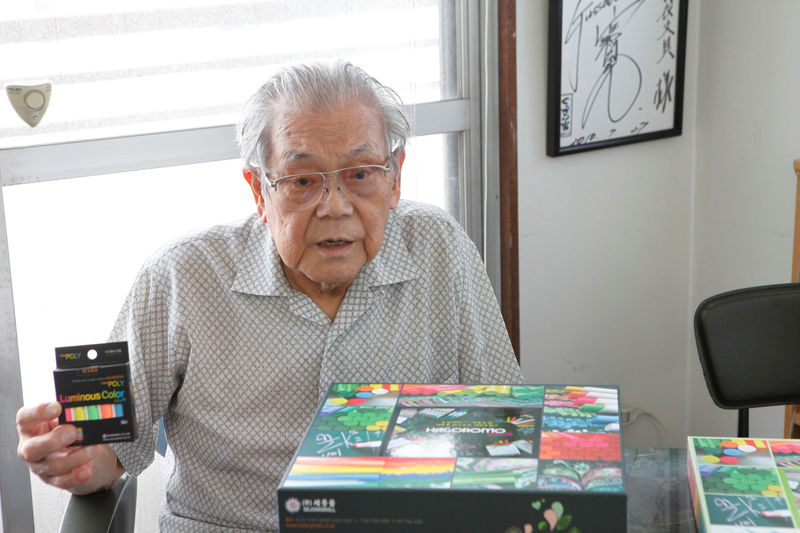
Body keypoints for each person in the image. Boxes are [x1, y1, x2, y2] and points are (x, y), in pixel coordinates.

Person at [17, 60, 524, 531]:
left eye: (360, 174)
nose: (335, 207)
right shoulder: (184, 274)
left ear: (395, 179)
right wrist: (74, 458)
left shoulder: (440, 248)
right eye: (302, 181)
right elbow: (107, 448)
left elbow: (508, 425)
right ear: (259, 190)